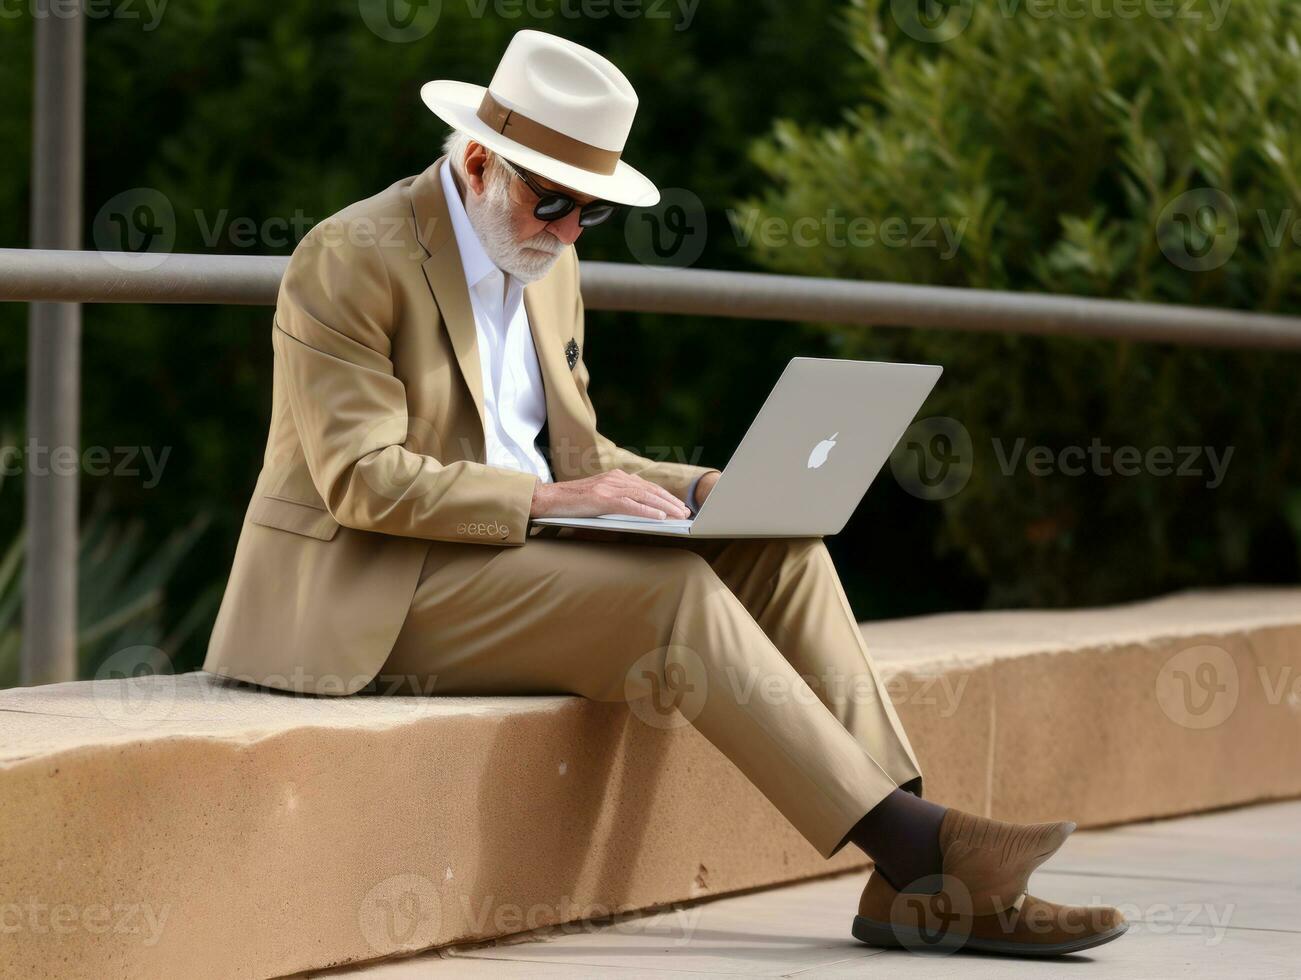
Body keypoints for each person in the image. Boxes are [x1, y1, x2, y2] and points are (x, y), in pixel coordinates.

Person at [203, 29, 1128, 957]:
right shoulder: (351, 256)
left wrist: (702, 487)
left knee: (783, 549)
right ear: (478, 160)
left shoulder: (545, 263)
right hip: (374, 590)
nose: (566, 233)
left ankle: (912, 876)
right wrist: (558, 503)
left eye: (588, 214)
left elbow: (573, 450)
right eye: (552, 202)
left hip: (506, 558)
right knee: (670, 596)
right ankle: (928, 859)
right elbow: (362, 481)